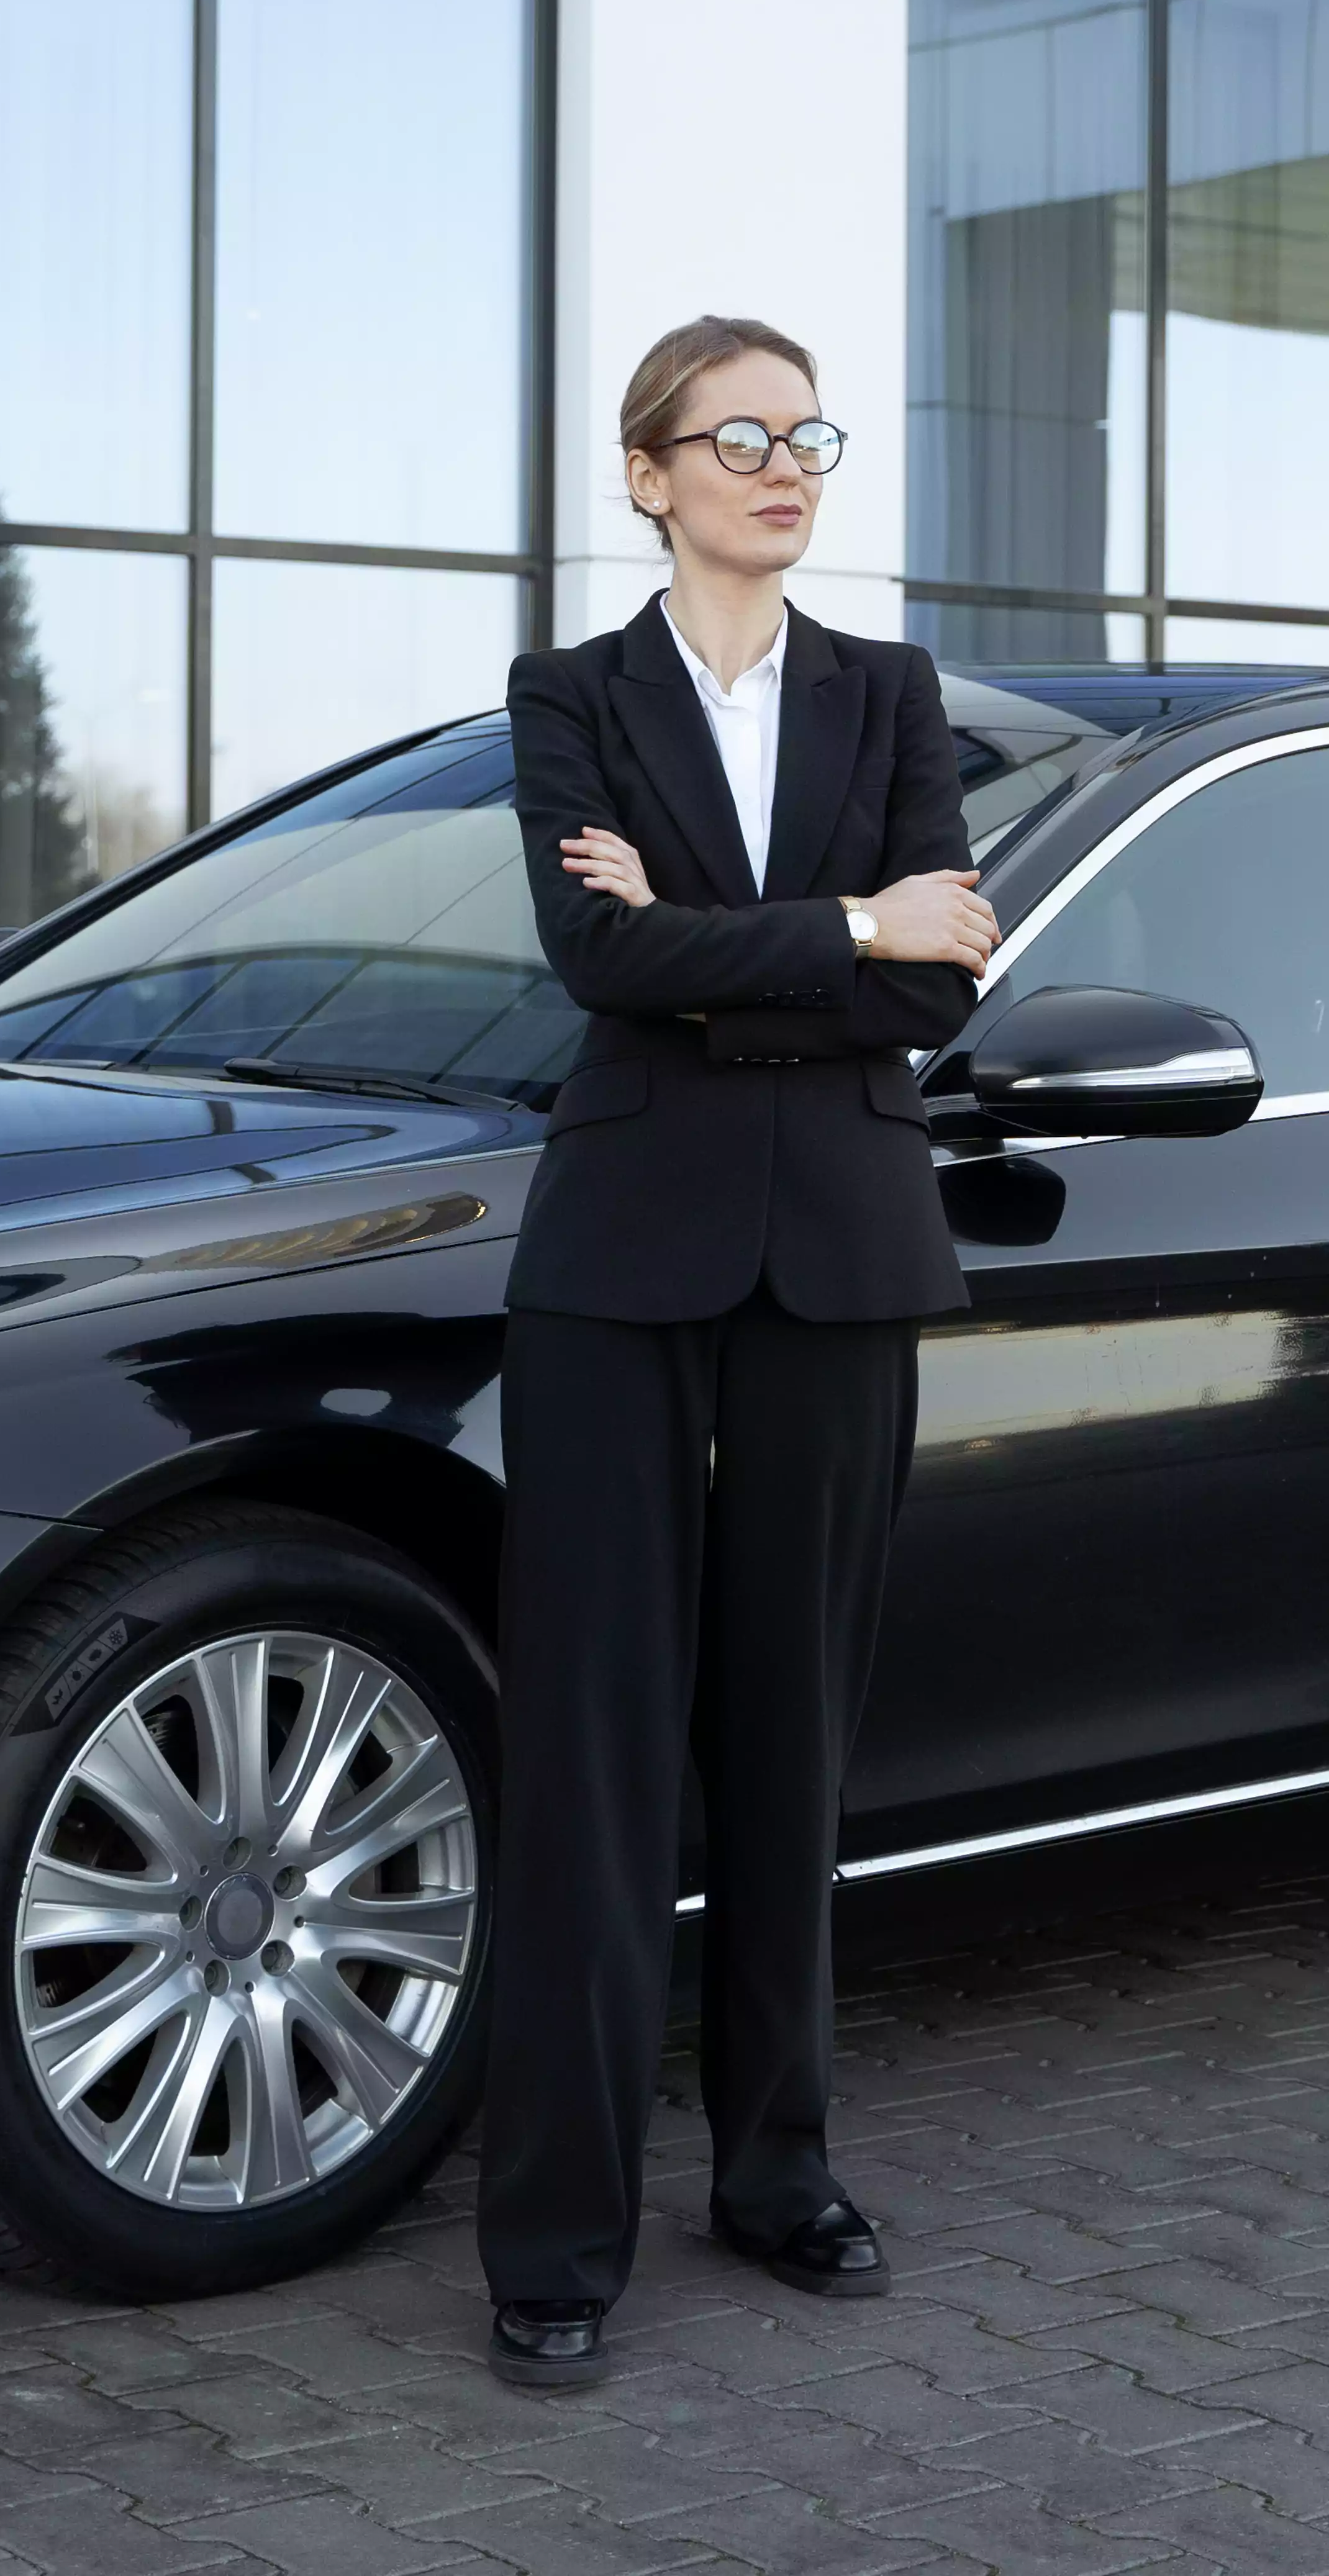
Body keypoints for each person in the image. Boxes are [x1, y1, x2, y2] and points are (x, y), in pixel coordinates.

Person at [473, 315, 1000, 2390]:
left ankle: (775, 2169)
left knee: (791, 1738)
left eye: (810, 435)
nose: (786, 467)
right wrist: (846, 928)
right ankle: (555, 2231)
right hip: (620, 1262)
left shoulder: (890, 693)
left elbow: (940, 984)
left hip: (844, 1258)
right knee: (597, 1755)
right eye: (742, 436)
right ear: (648, 473)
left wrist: (788, 948)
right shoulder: (568, 695)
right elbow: (593, 954)